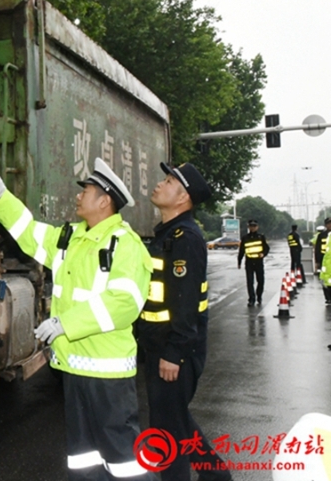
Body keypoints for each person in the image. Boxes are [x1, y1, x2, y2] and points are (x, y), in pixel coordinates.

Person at [0, 158, 155, 481]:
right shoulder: (70, 237)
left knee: (123, 460)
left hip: (107, 372)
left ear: (104, 201)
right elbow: (29, 234)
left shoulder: (125, 244)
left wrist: (64, 324)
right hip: (74, 369)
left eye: (86, 191)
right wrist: (1, 196)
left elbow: (124, 303)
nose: (78, 196)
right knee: (83, 458)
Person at [137, 163, 232, 481]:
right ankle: (216, 474)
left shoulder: (186, 238)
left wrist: (173, 353)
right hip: (159, 344)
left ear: (183, 198)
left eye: (168, 182)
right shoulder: (168, 233)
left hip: (174, 350)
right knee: (174, 420)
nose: (159, 185)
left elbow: (187, 302)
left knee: (168, 434)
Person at [237, 219, 270, 306]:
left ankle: (259, 296)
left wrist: (263, 254)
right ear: (248, 227)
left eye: (254, 226)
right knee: (250, 282)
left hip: (259, 262)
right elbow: (241, 251)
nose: (252, 228)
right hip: (249, 262)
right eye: (251, 226)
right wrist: (239, 261)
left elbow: (267, 248)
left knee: (260, 281)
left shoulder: (261, 237)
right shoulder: (245, 238)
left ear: (257, 227)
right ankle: (251, 299)